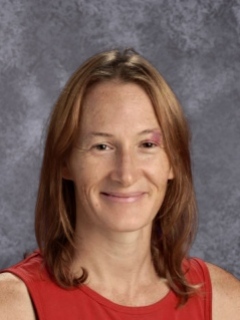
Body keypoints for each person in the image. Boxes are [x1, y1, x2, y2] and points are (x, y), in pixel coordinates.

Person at [0, 48, 239, 320]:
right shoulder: (13, 307)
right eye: (102, 146)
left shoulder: (225, 304)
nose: (125, 174)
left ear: (173, 161)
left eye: (147, 145)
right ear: (65, 162)